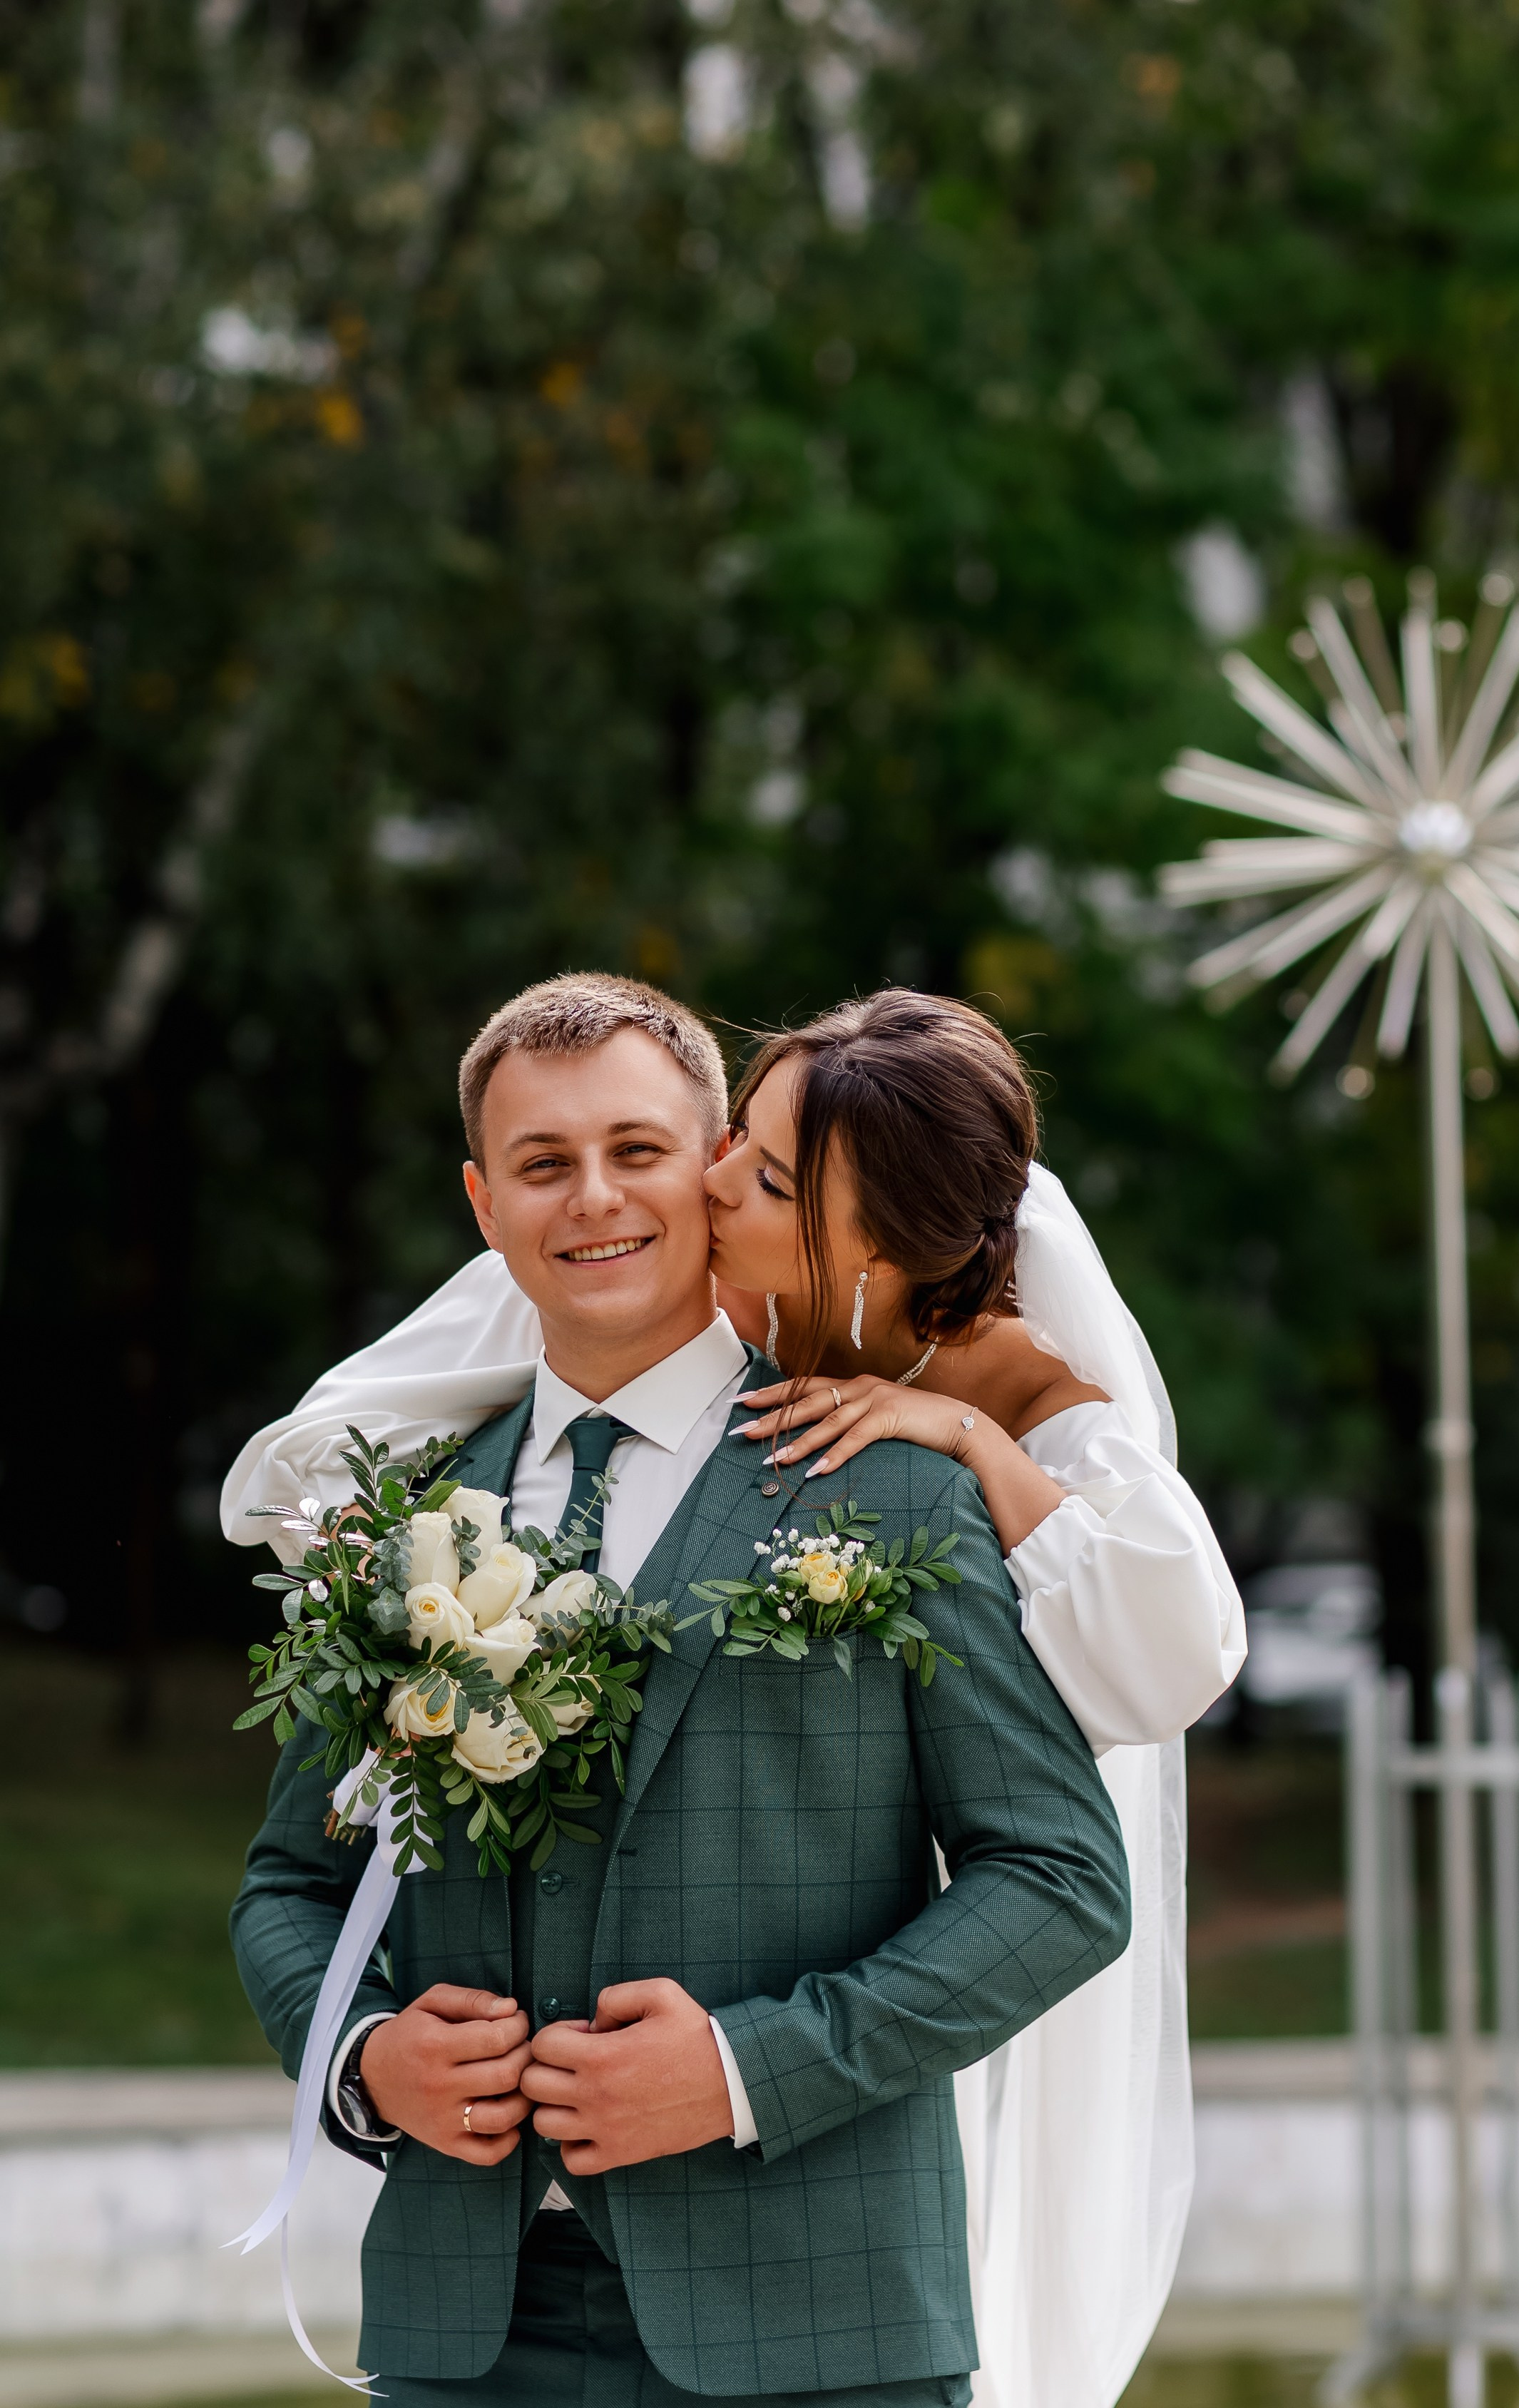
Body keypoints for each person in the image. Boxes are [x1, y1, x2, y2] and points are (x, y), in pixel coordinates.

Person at [223, 986, 1246, 2408]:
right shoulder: (400, 1516)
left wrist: (749, 2070)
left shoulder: (901, 1491)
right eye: (541, 1163)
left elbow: (1062, 1880)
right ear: (482, 1200)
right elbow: (290, 1884)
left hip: (824, 2334)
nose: (594, 1200)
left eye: (639, 1150)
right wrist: (362, 2058)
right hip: (462, 2337)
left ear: (715, 1169)